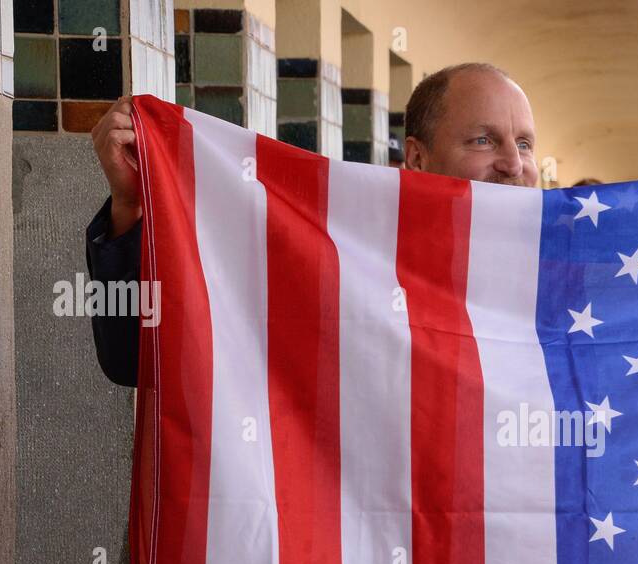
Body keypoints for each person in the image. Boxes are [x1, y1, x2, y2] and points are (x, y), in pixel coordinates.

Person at [85, 62, 538, 385]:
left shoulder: (575, 281)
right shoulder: (340, 256)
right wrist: (131, 208)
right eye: (484, 140)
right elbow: (136, 359)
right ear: (417, 157)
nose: (514, 164)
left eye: (524, 143)